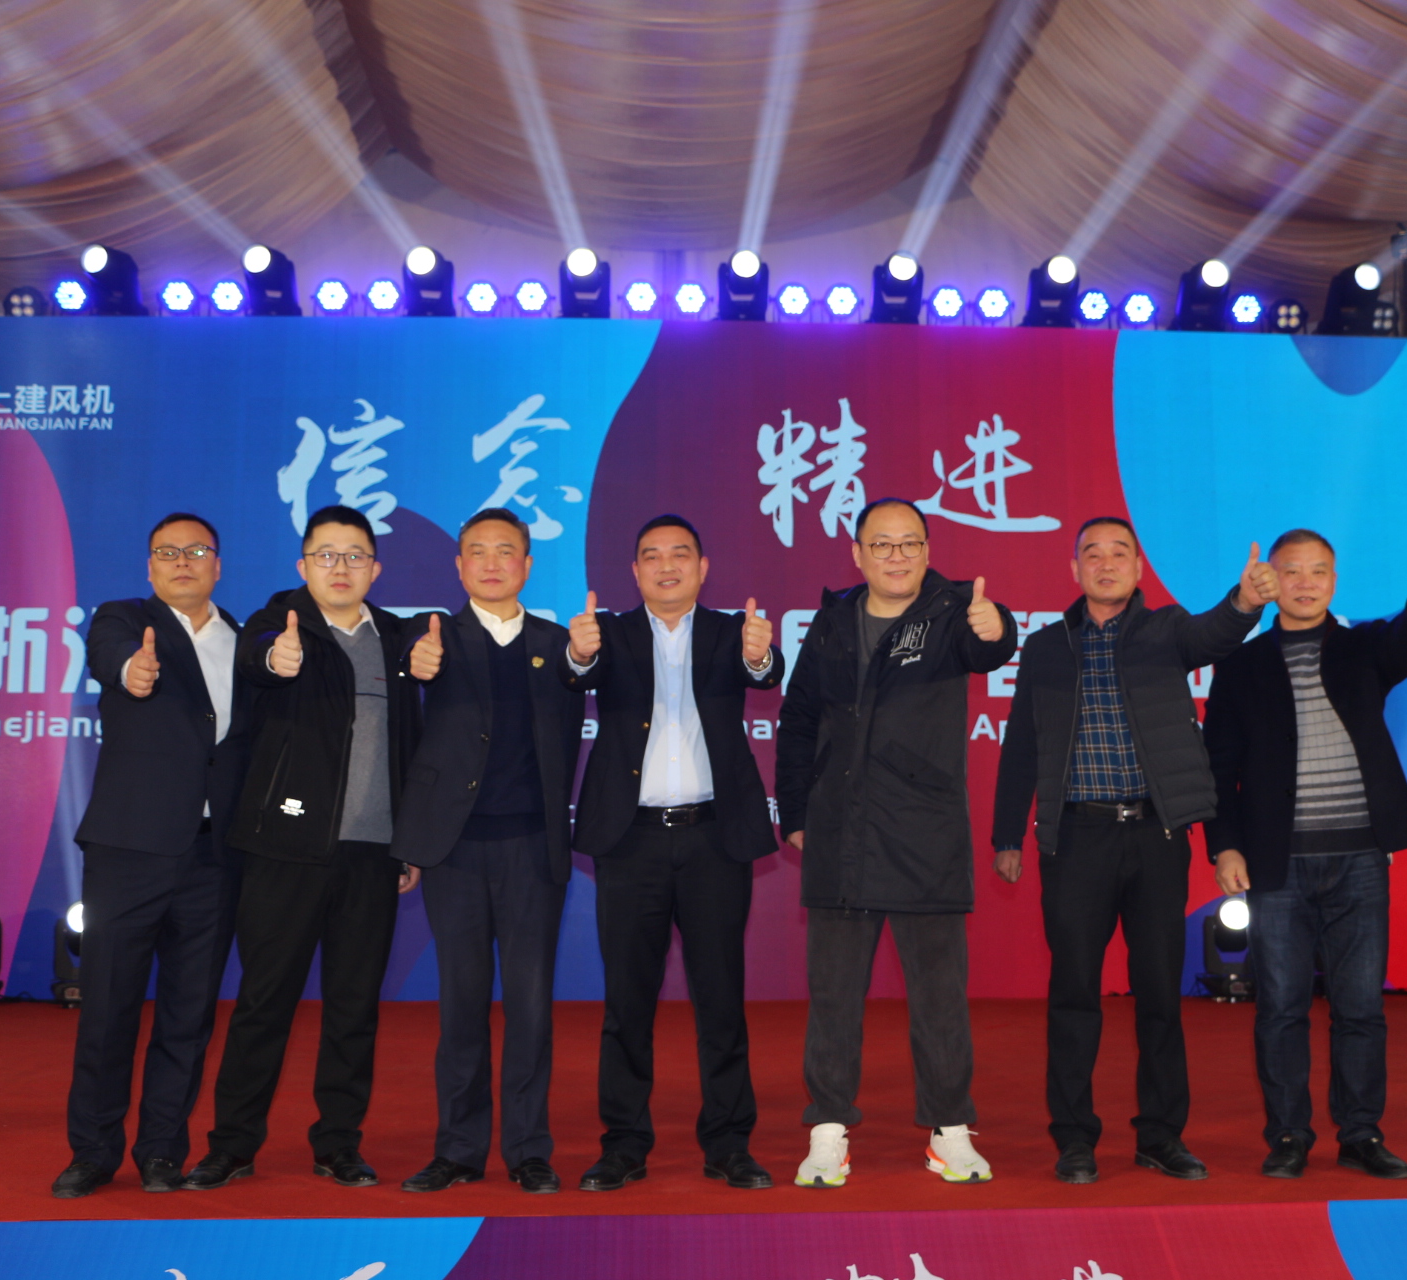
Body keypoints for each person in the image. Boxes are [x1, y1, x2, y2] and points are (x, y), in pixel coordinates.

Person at [992, 516, 1276, 1185]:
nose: (1106, 562)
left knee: (1158, 995)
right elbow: (1022, 744)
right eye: (1092, 553)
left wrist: (1245, 600)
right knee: (1073, 994)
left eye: (1120, 552)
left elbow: (1216, 633)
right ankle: (1074, 1139)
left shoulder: (1167, 630)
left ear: (1138, 568)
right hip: (1076, 839)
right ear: (1074, 570)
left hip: (1157, 835)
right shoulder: (1046, 647)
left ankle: (1161, 1136)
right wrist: (1008, 834)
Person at [776, 497, 1017, 1189]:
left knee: (940, 998)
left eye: (910, 542)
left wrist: (997, 627)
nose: (896, 555)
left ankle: (949, 1130)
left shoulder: (951, 611)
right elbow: (798, 719)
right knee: (833, 997)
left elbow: (988, 646)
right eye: (881, 544)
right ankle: (828, 1129)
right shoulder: (832, 621)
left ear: (927, 550)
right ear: (857, 554)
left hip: (924, 835)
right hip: (841, 832)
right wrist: (796, 811)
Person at [184, 505, 426, 1192]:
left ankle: (339, 1144)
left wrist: (409, 840)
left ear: (375, 569)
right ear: (303, 565)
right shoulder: (276, 622)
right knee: (264, 1005)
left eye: (354, 556)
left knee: (354, 1010)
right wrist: (274, 656)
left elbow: (412, 745)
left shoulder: (398, 639)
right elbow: (257, 653)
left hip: (371, 856)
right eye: (326, 555)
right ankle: (232, 1145)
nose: (340, 567)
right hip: (285, 852)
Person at [1203, 530, 1407, 1180]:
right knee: (1281, 1008)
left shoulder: (1362, 647)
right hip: (1276, 864)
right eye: (1293, 571)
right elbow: (1218, 765)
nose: (1306, 583)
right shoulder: (1241, 665)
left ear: (1334, 582)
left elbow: (1406, 641)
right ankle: (1288, 1135)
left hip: (1360, 859)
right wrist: (1224, 846)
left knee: (1361, 1008)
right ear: (1271, 581)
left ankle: (1361, 1134)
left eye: (1319, 572)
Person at [562, 515, 785, 1193]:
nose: (666, 566)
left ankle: (729, 1143)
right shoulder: (609, 634)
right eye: (651, 556)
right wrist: (578, 655)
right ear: (634, 572)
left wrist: (758, 656)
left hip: (714, 839)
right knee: (628, 1002)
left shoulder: (729, 631)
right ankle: (624, 1144)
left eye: (680, 554)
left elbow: (764, 672)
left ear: (702, 567)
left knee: (721, 1000)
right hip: (631, 843)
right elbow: (578, 675)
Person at [53, 513, 257, 1198]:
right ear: (150, 567)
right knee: (108, 1009)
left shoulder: (244, 641)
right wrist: (132, 670)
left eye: (196, 550)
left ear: (217, 564)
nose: (182, 561)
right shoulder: (123, 619)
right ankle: (93, 1152)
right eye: (167, 552)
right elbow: (111, 657)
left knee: (188, 1016)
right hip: (129, 852)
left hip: (213, 859)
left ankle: (163, 1151)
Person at [390, 507, 585, 1195]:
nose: (493, 562)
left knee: (530, 1007)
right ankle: (458, 1150)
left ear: (528, 565)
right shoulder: (428, 639)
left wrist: (584, 658)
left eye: (507, 551)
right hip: (455, 853)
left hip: (532, 850)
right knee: (461, 1006)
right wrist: (416, 667)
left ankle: (529, 1149)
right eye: (478, 551)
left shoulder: (560, 645)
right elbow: (404, 726)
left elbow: (585, 677)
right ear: (459, 565)